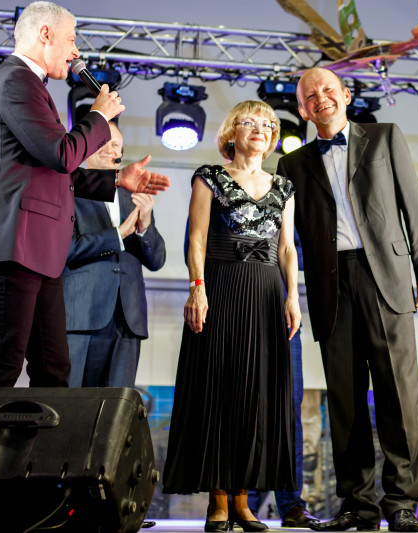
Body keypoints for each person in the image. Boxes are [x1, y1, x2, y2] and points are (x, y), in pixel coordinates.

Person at [0, 1, 169, 388]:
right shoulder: (15, 81)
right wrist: (99, 116)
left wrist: (117, 180)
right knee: (2, 366)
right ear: (45, 34)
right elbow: (62, 154)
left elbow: (55, 173)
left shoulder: (30, 86)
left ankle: (37, 433)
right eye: (72, 39)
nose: (76, 52)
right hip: (13, 246)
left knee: (54, 371)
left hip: (39, 252)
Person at [276, 67, 418, 533]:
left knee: (399, 397)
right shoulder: (292, 164)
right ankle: (358, 504)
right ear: (303, 109)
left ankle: (401, 502)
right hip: (329, 285)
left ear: (346, 95)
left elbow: (414, 207)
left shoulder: (384, 137)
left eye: (328, 89)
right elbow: (287, 239)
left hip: (387, 276)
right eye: (311, 95)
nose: (321, 98)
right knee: (345, 403)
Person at [163, 100, 301, 532]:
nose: (260, 128)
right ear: (231, 132)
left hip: (266, 294)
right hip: (220, 288)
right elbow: (197, 238)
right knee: (218, 391)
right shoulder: (209, 176)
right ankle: (218, 501)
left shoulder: (284, 186)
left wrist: (293, 296)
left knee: (257, 394)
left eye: (268, 124)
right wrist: (197, 287)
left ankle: (243, 501)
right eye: (249, 121)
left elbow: (286, 248)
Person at [63, 121, 166, 388]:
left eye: (117, 145)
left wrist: (145, 226)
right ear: (86, 148)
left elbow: (157, 261)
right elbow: (66, 249)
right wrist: (118, 234)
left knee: (117, 405)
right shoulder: (68, 189)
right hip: (82, 314)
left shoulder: (134, 195)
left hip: (128, 319)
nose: (111, 150)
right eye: (103, 143)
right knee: (69, 401)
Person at [248, 234, 319, 529]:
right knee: (245, 408)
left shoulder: (287, 204)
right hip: (238, 306)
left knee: (289, 411)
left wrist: (266, 253)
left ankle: (290, 503)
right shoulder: (215, 200)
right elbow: (195, 245)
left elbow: (302, 250)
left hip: (282, 314)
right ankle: (245, 502)